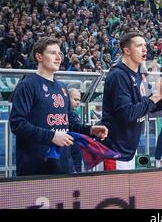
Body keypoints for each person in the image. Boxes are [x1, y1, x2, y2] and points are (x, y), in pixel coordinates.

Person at [9, 37, 108, 176]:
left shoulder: (62, 88)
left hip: (62, 163)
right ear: (39, 57)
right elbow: (17, 123)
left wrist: (90, 130)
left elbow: (69, 122)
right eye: (52, 53)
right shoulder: (27, 85)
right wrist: (52, 136)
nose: (58, 57)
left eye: (59, 53)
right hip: (35, 165)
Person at [101, 32, 162, 170]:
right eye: (139, 45)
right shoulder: (118, 75)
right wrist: (157, 95)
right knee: (113, 192)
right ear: (127, 50)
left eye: (145, 45)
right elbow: (128, 113)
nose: (144, 49)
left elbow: (147, 105)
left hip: (128, 149)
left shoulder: (138, 74)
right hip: (114, 151)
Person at [67, 88, 84, 172]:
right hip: (69, 154)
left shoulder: (73, 113)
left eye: (79, 100)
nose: (78, 103)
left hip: (76, 152)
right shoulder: (67, 114)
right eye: (75, 99)